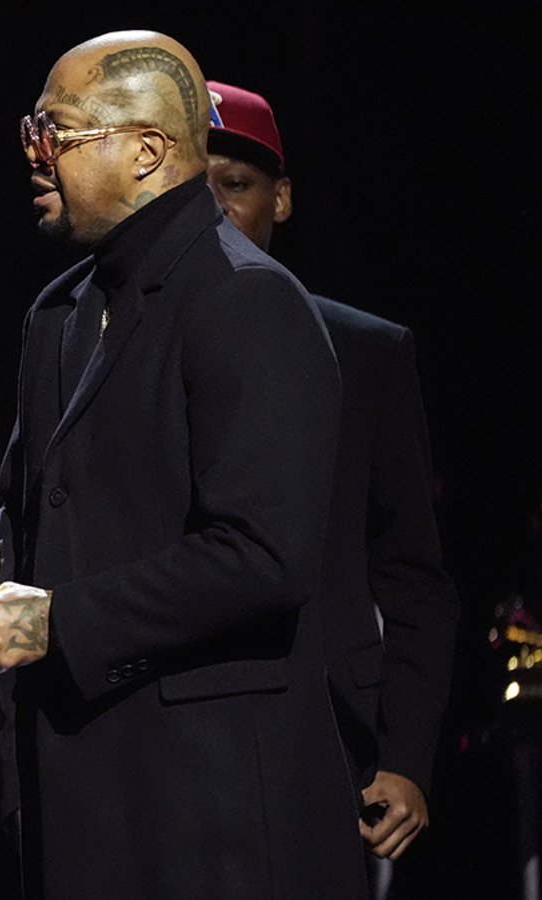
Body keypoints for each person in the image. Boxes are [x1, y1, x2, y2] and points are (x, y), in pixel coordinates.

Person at [0, 32, 367, 898]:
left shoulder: (249, 299)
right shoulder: (59, 311)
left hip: (214, 814)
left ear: (146, 151)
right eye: (29, 130)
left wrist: (56, 621)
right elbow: (31, 519)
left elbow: (264, 555)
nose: (32, 155)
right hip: (77, 795)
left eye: (56, 131)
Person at [205, 80, 460, 865]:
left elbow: (412, 572)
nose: (214, 210)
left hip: (327, 734)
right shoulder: (112, 343)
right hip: (175, 730)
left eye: (236, 186)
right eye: (193, 188)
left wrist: (406, 758)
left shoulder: (366, 352)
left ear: (281, 199)